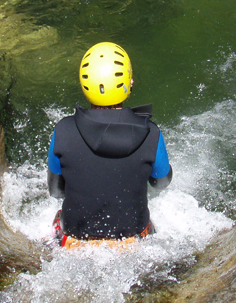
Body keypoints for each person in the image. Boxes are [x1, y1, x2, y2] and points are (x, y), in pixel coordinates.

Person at [47, 42, 173, 248]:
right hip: (132, 241)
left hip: (75, 241)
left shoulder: (63, 130)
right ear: (129, 82)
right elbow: (161, 183)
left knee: (58, 218)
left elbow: (56, 191)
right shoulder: (151, 133)